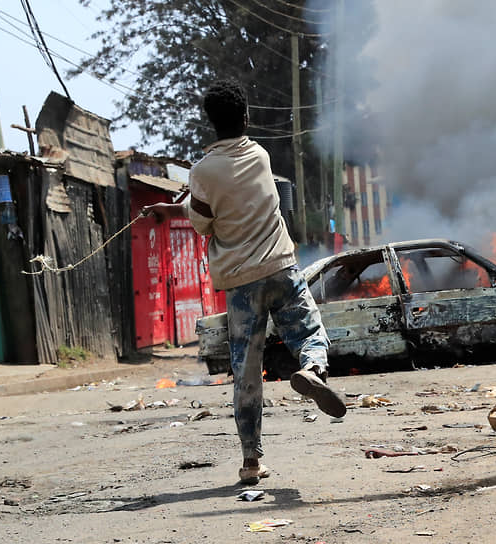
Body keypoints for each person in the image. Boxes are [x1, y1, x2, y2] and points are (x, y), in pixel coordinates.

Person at [143, 79, 346, 484]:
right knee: (311, 333)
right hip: (281, 265)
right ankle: (311, 369)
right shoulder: (260, 155)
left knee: (247, 372)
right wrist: (180, 203)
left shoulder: (201, 172)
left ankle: (251, 462)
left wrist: (174, 206)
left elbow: (202, 221)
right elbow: (235, 194)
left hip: (241, 281)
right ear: (247, 117)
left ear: (209, 122)